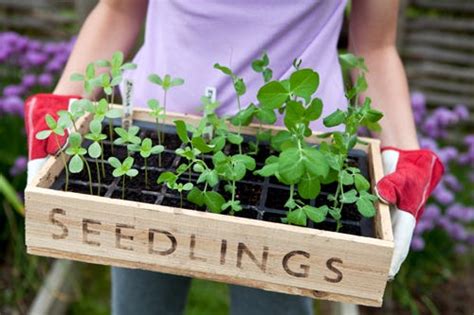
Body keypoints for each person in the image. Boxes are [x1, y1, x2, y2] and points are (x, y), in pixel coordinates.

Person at [25, 1, 443, 314]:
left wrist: (405, 154)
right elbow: (118, 8)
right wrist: (63, 105)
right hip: (149, 145)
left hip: (297, 159)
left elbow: (375, 46)